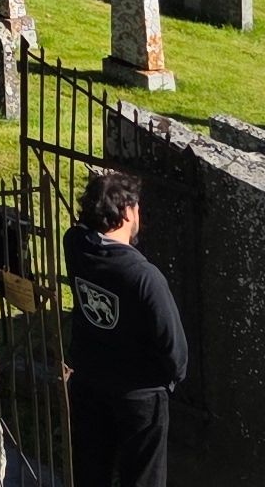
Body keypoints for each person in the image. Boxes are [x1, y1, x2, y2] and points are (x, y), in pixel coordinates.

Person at [65, 166, 190, 487]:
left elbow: (80, 229)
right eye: (136, 208)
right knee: (142, 477)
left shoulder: (76, 245)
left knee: (92, 471)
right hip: (139, 394)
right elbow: (173, 344)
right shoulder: (143, 275)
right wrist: (171, 381)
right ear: (127, 212)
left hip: (89, 382)